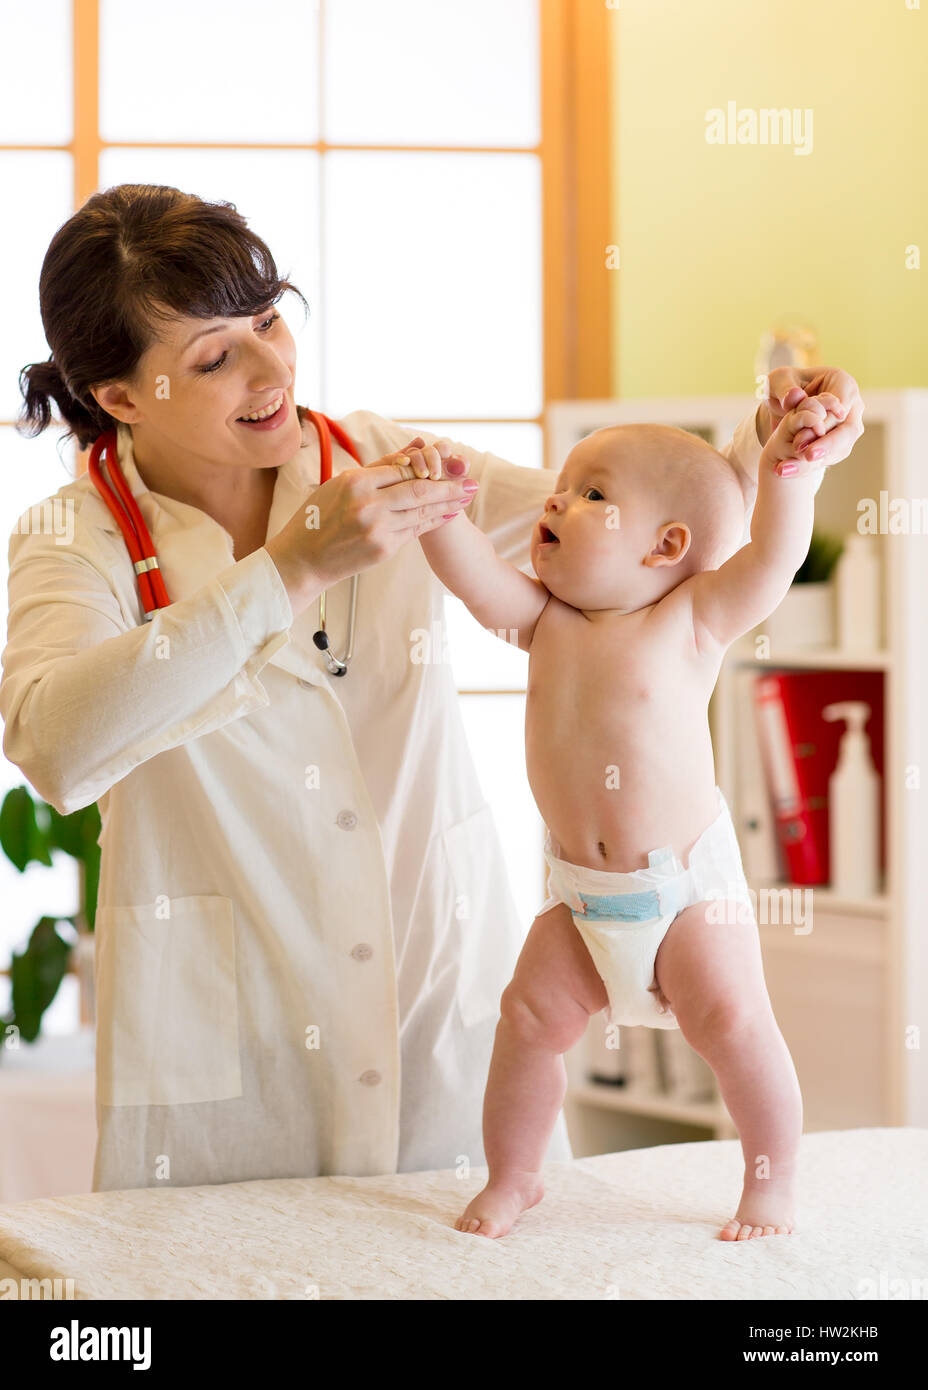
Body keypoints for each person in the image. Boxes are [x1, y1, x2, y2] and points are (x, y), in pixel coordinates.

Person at [0, 180, 863, 1194]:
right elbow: (54, 741)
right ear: (119, 397)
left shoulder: (377, 459)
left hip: (437, 1012)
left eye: (270, 317)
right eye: (213, 356)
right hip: (227, 1073)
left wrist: (772, 452)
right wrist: (290, 570)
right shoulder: (76, 541)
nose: (271, 365)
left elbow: (635, 541)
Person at [411, 391, 862, 1241]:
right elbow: (473, 579)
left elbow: (772, 555)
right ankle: (515, 1176)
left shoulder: (690, 619)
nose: (555, 499)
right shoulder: (543, 620)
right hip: (580, 899)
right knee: (526, 1021)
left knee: (733, 1025)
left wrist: (790, 474)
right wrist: (440, 511)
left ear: (667, 547)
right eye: (564, 486)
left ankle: (771, 1181)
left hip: (684, 894)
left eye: (590, 495)